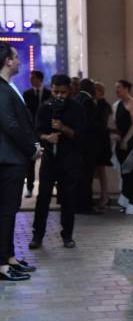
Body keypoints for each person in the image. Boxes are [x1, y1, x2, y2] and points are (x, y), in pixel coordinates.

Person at [29, 74, 85, 249]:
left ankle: (67, 235)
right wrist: (47, 136)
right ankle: (37, 235)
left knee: (68, 199)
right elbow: (36, 131)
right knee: (43, 198)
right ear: (51, 88)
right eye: (56, 91)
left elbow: (81, 135)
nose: (59, 95)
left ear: (69, 90)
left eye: (63, 92)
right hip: (49, 160)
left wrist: (63, 129)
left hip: (69, 160)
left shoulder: (76, 108)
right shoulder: (45, 107)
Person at [0, 44, 41, 281]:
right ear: (7, 61)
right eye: (15, 58)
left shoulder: (8, 87)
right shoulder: (2, 88)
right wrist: (32, 148)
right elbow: (10, 125)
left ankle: (10, 258)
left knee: (9, 212)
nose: (18, 61)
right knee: (6, 212)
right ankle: (3, 265)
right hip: (8, 160)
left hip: (12, 158)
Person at [23, 70, 51, 197]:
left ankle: (46, 188)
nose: (30, 80)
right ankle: (29, 187)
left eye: (33, 78)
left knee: (48, 160)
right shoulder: (27, 94)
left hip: (46, 132)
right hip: (31, 132)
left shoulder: (49, 93)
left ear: (40, 79)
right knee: (31, 160)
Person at [113, 79, 133, 215]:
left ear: (127, 89)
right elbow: (117, 124)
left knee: (131, 173)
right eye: (116, 88)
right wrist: (118, 137)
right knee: (124, 173)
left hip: (130, 143)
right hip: (121, 143)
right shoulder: (117, 105)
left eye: (119, 87)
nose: (117, 90)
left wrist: (126, 140)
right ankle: (126, 200)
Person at [75, 78, 99, 214]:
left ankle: (78, 205)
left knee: (79, 176)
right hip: (88, 146)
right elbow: (91, 125)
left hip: (77, 145)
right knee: (87, 176)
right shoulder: (89, 102)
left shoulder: (76, 99)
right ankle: (86, 206)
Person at [94, 81, 113, 211]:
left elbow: (101, 124)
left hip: (101, 142)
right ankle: (103, 196)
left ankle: (104, 197)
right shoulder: (100, 104)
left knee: (101, 171)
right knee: (100, 171)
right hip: (99, 140)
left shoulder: (103, 105)